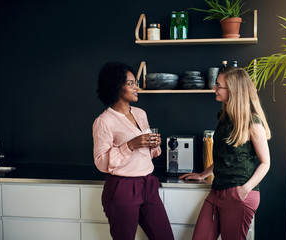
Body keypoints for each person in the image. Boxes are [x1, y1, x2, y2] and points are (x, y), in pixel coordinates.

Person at [180, 67, 271, 240]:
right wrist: (203, 174)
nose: (214, 88)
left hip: (239, 193)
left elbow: (266, 163)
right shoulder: (224, 117)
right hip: (217, 191)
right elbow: (224, 156)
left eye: (218, 85)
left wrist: (245, 190)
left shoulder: (253, 123)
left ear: (233, 90)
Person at [92, 61, 174, 240]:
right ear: (116, 87)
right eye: (131, 83)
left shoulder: (140, 113)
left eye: (135, 82)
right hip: (122, 188)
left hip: (148, 184)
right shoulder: (104, 121)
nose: (136, 87)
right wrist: (129, 145)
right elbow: (100, 162)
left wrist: (153, 145)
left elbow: (146, 154)